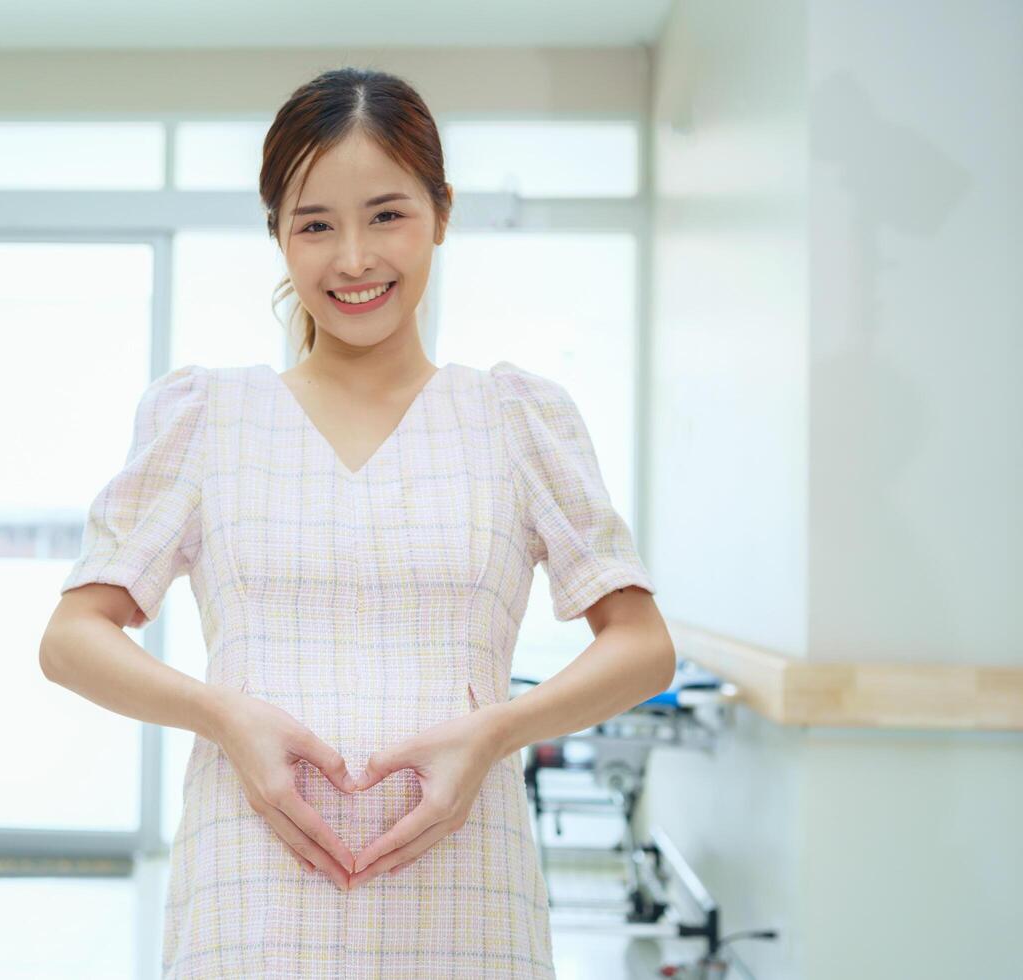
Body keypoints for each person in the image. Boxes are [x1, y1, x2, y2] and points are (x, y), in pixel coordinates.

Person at [41, 66, 675, 980]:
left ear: (441, 214)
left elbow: (642, 646)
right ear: (278, 237)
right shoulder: (207, 417)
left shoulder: (515, 417)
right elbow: (71, 638)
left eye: (386, 214)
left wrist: (494, 731)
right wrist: (222, 715)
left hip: (466, 886)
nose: (352, 259)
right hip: (251, 891)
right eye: (314, 224)